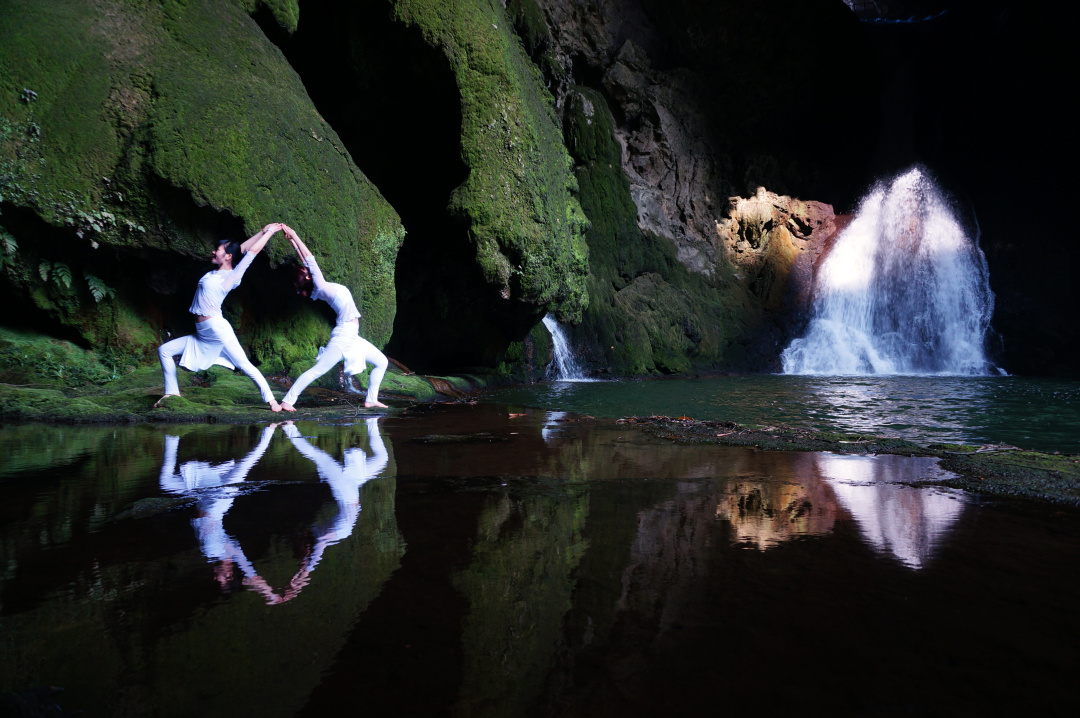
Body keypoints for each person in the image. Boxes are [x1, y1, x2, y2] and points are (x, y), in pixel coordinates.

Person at [156, 224, 283, 411]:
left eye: (218, 250)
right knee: (164, 351)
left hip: (217, 330)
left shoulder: (232, 276)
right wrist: (263, 230)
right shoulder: (215, 272)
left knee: (244, 364)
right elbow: (241, 249)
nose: (214, 251)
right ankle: (172, 393)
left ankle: (272, 401)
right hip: (201, 334)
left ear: (227, 257)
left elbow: (252, 252)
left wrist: (271, 233)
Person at [279, 224, 389, 410]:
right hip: (344, 335)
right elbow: (310, 260)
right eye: (305, 272)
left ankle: (371, 400)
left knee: (382, 362)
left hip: (351, 335)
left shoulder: (318, 287)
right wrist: (295, 235)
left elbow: (306, 262)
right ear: (307, 278)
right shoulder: (321, 287)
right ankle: (287, 401)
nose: (307, 270)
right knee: (318, 370)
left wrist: (293, 244)